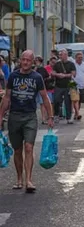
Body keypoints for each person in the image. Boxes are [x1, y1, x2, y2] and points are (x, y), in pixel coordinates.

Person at [0, 49, 53, 192]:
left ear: (33, 61)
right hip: (14, 116)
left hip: (30, 116)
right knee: (17, 150)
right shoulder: (12, 76)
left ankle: (29, 180)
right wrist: (0, 116)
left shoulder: (37, 77)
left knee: (29, 148)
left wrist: (50, 116)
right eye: (23, 59)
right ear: (20, 60)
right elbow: (6, 98)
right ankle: (19, 179)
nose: (25, 62)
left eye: (28, 60)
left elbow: (44, 97)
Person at [52, 49, 77, 123]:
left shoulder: (71, 64)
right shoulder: (57, 64)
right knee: (56, 100)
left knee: (68, 101)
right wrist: (57, 75)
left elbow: (74, 74)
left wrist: (64, 75)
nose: (60, 56)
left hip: (68, 85)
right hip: (58, 85)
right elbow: (52, 72)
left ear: (65, 55)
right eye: (59, 55)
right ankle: (56, 115)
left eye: (61, 55)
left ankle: (68, 117)